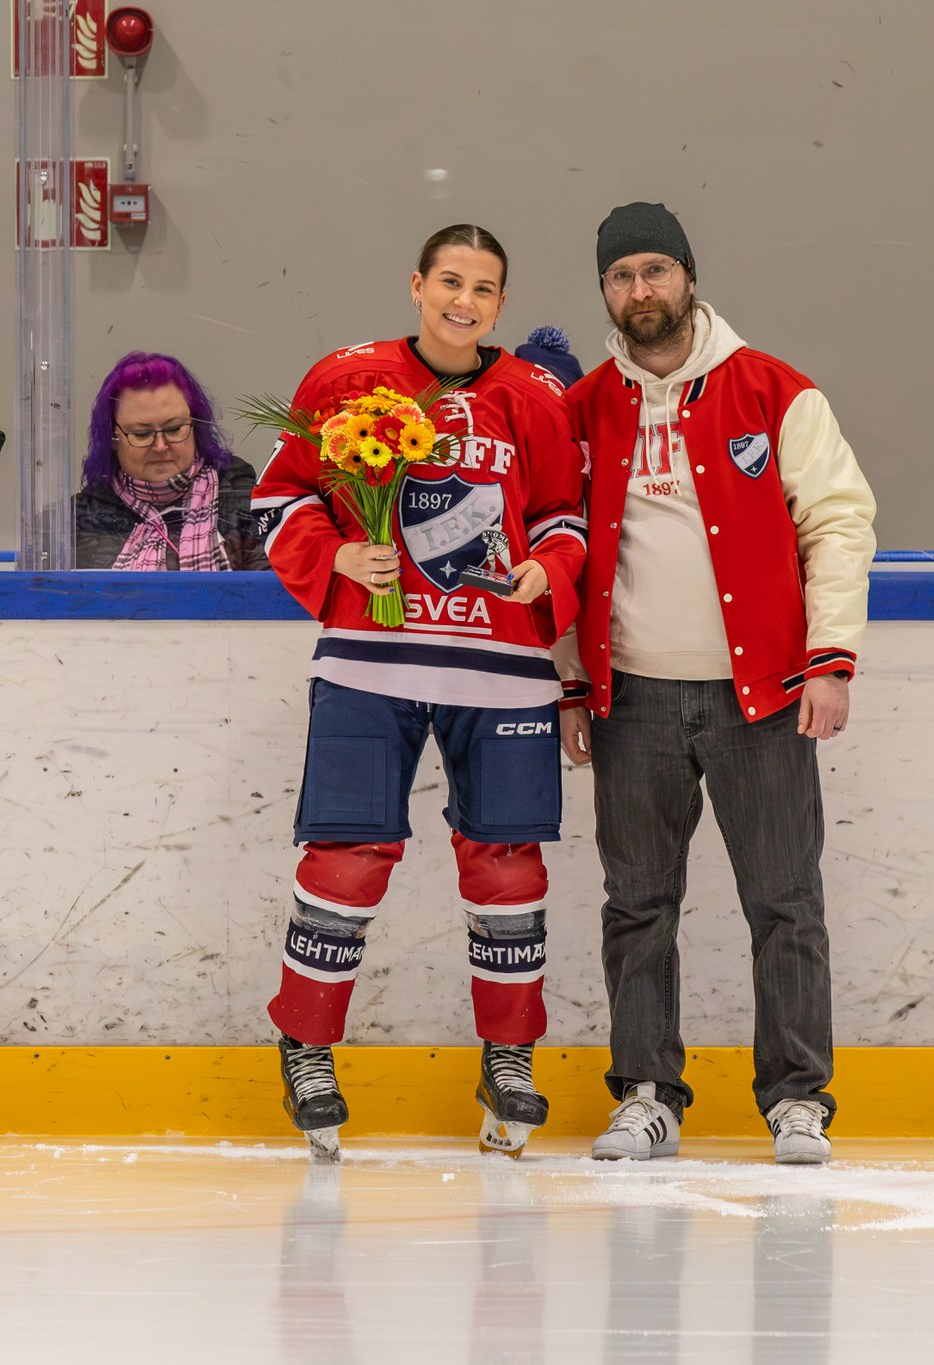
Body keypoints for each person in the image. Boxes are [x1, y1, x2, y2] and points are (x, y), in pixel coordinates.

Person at [251, 224, 587, 1161]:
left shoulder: (534, 397)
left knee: (507, 869)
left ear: (501, 304)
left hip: (501, 668)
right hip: (371, 661)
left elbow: (566, 515)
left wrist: (549, 568)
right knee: (347, 860)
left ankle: (509, 1057)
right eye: (449, 280)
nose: (463, 301)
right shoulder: (345, 380)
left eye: (483, 288)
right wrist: (336, 555)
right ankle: (306, 1044)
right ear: (416, 284)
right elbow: (280, 498)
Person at [560, 202, 877, 1165]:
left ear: (690, 276)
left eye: (656, 270)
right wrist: (572, 683)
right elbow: (558, 550)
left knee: (785, 901)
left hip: (764, 698)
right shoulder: (581, 408)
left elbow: (838, 523)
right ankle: (647, 1093)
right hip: (631, 701)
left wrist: (830, 658)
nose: (640, 290)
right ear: (605, 291)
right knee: (636, 905)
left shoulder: (776, 392)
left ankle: (797, 1098)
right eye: (621, 276)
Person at [74, 352, 268, 570]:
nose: (160, 446)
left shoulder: (249, 502)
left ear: (196, 426)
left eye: (174, 429)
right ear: (112, 438)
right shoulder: (73, 522)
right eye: (141, 434)